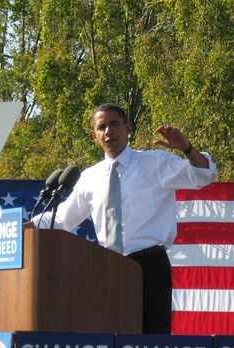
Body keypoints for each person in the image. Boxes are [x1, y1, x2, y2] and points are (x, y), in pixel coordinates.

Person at [32, 103, 217, 333]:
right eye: (102, 127)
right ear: (94, 136)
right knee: (111, 338)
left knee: (152, 342)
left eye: (114, 124)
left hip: (149, 266)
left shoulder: (154, 163)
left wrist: (188, 149)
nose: (109, 131)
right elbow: (62, 219)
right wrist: (26, 228)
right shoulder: (90, 178)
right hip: (107, 266)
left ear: (127, 128)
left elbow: (204, 175)